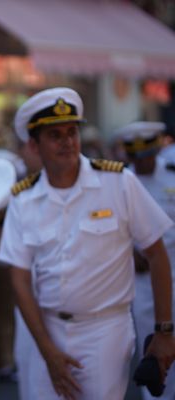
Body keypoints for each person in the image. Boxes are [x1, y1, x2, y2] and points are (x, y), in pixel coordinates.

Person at [0, 87, 175, 400]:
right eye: (55, 135)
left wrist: (164, 332)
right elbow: (20, 279)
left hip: (105, 329)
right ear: (34, 145)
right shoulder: (23, 198)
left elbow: (157, 254)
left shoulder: (118, 182)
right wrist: (47, 349)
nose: (67, 141)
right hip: (46, 329)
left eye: (71, 132)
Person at [113, 121, 175, 399]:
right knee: (148, 340)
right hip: (139, 279)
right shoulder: (120, 181)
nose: (142, 164)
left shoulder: (172, 177)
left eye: (147, 156)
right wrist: (129, 251)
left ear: (156, 150)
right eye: (136, 158)